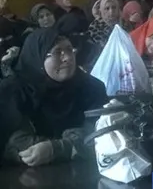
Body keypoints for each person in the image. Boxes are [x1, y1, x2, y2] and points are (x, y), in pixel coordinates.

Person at [0, 28, 107, 167]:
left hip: (90, 169)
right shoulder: (14, 91)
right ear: (38, 57)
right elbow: (17, 142)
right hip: (25, 174)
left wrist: (58, 148)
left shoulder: (92, 87)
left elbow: (103, 132)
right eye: (57, 52)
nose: (68, 58)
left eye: (70, 50)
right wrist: (75, 144)